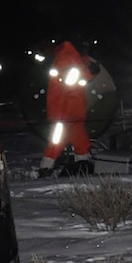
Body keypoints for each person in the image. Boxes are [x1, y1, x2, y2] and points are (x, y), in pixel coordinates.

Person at [38, 39, 97, 178]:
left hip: (71, 111)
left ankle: (81, 166)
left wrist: (89, 68)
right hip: (64, 110)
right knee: (58, 141)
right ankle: (46, 169)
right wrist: (90, 73)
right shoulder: (67, 58)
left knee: (79, 141)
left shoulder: (74, 58)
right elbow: (69, 86)